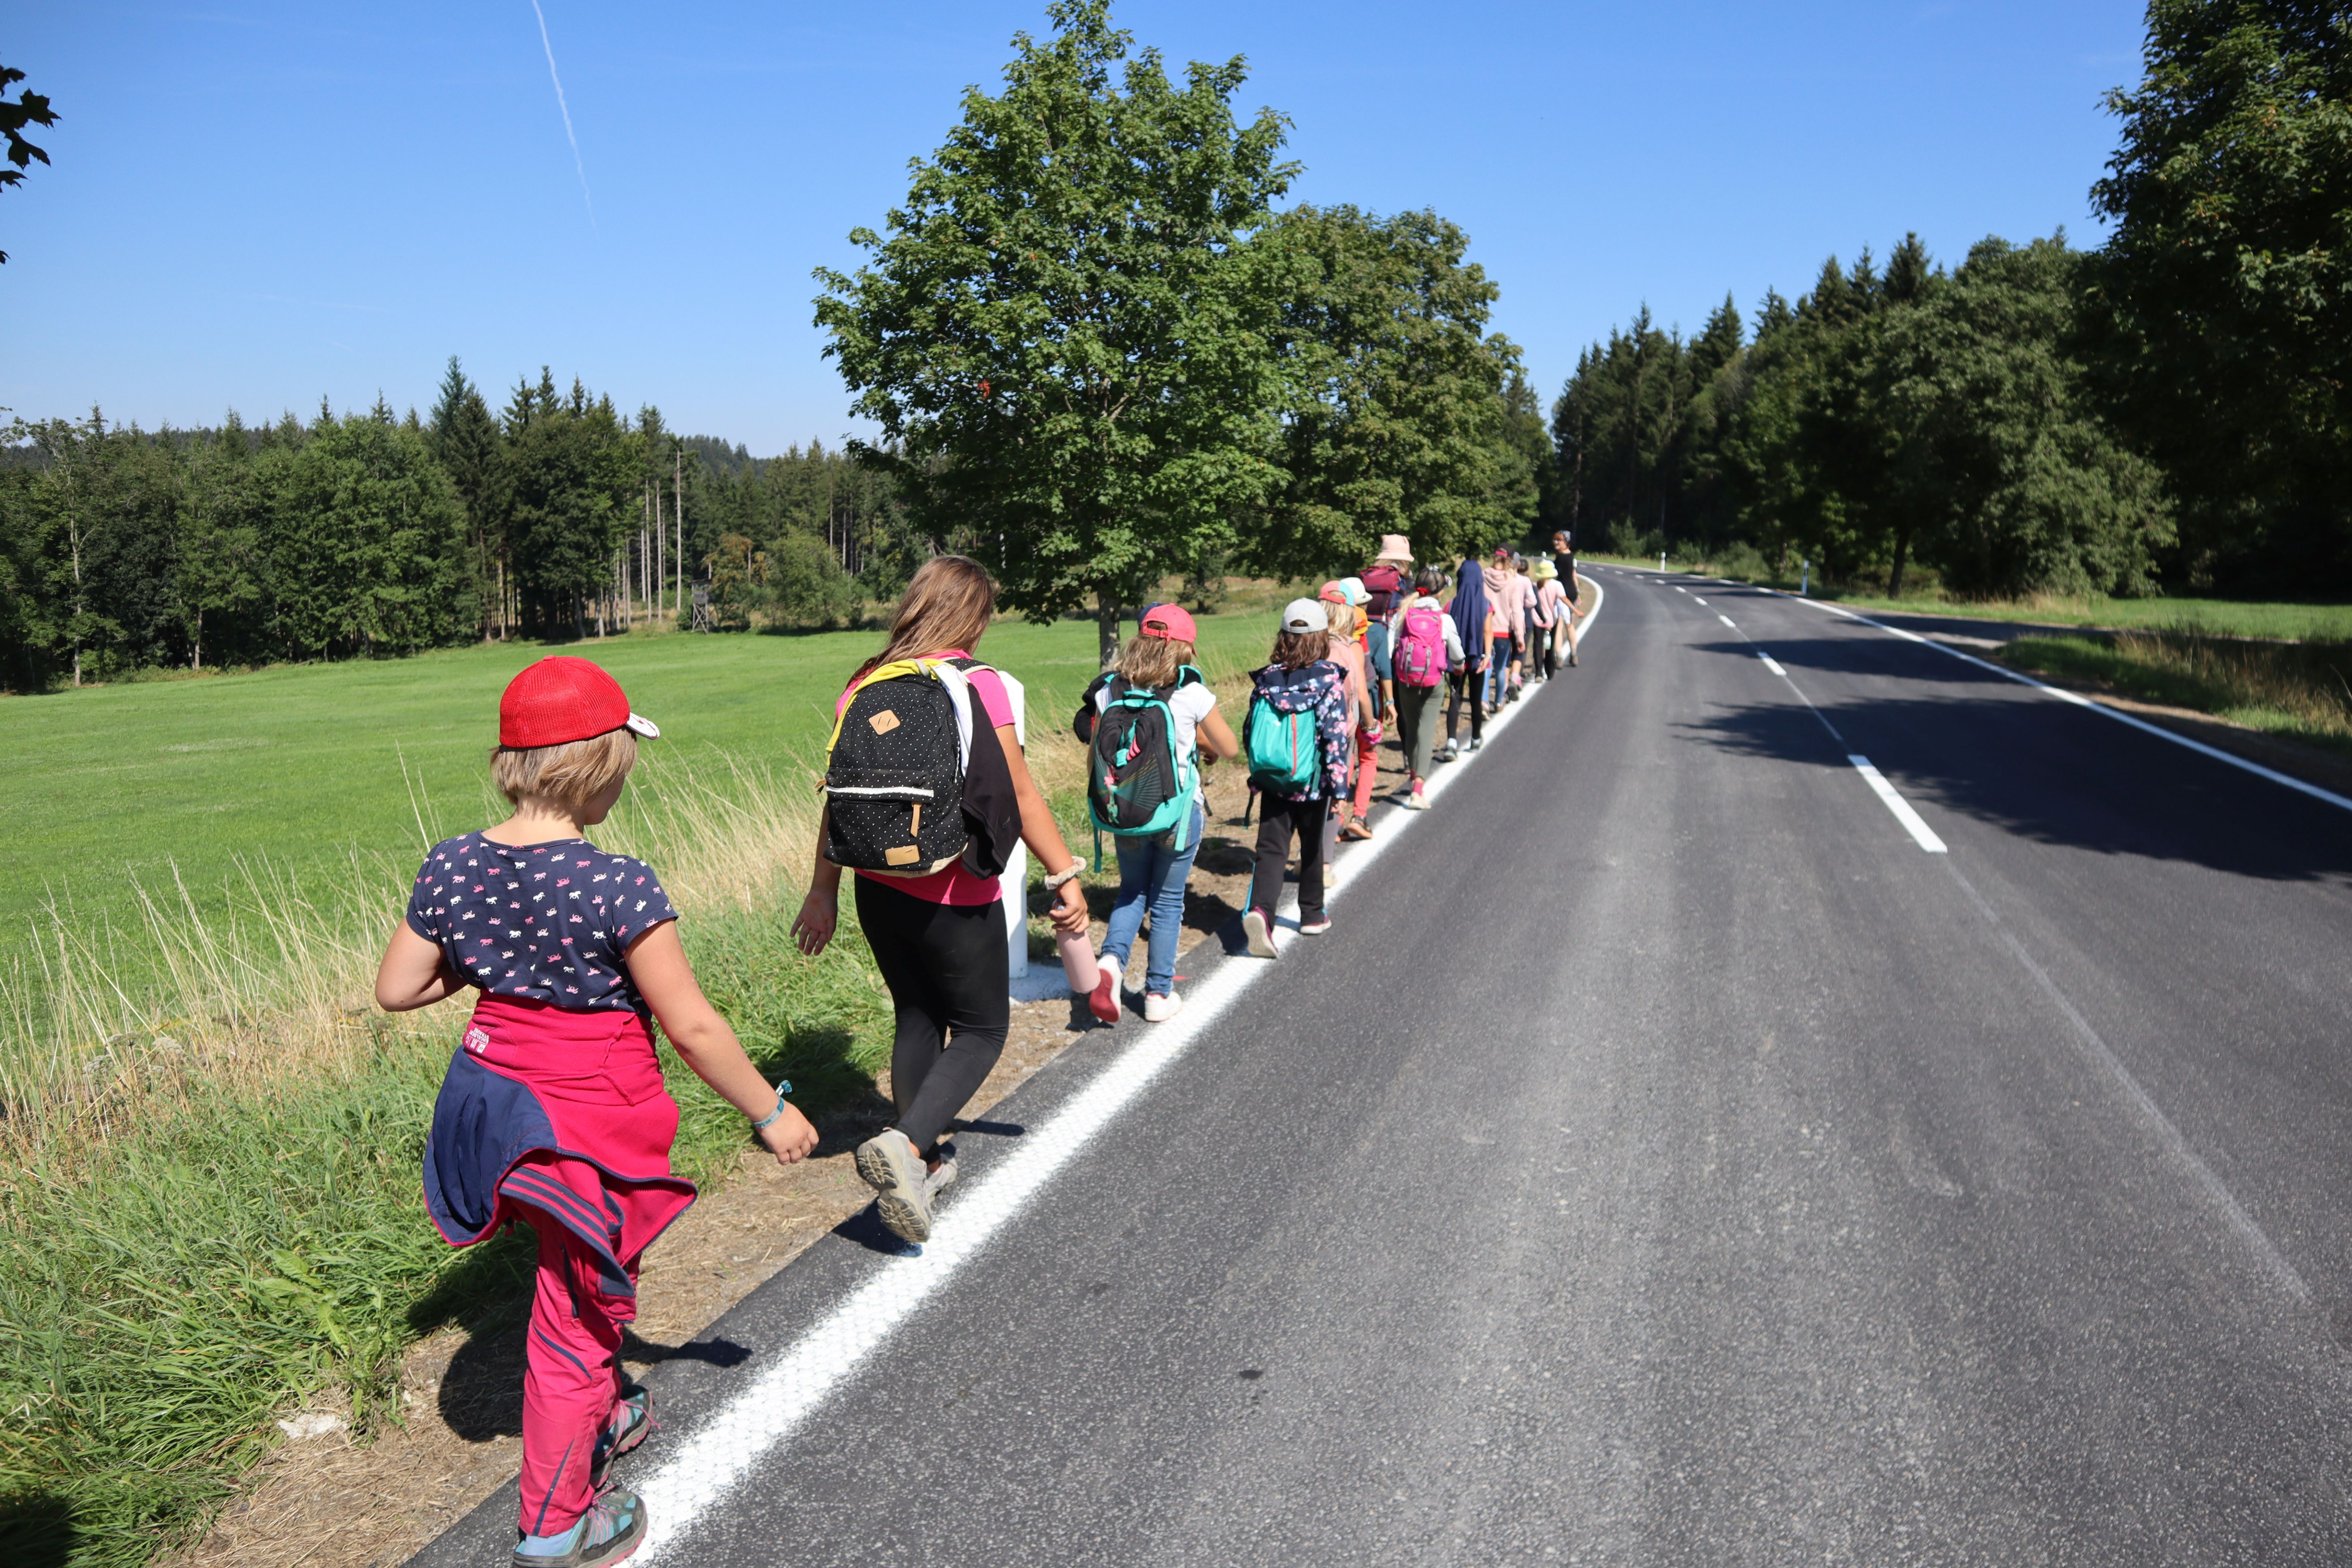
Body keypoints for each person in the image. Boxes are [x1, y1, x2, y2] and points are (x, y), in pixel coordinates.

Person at [374, 655, 822, 1566]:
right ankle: (557, 1525)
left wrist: (493, 964)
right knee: (576, 1319)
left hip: (492, 1105)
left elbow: (398, 987)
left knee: (569, 1272)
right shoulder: (619, 884)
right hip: (585, 1118)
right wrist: (769, 1108)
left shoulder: (452, 862)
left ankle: (607, 1413)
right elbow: (691, 1026)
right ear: (598, 765)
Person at [792, 556, 1090, 1245]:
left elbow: (840, 800)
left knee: (918, 1014)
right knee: (983, 1029)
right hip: (955, 886)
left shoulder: (865, 682)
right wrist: (1063, 873)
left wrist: (822, 890)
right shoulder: (980, 684)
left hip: (877, 887)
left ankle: (920, 1164)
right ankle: (906, 1143)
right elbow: (1020, 792)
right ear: (973, 618)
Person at [1076, 603, 1238, 1023]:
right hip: (1177, 816)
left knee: (1132, 891)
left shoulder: (1109, 690)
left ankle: (1111, 962)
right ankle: (1158, 994)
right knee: (1167, 901)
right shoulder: (1191, 692)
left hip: (1126, 809)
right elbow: (1229, 748)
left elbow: (1096, 753)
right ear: (1184, 649)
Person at [1242, 599, 1352, 958]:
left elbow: (1251, 732)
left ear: (1284, 637)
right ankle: (1312, 914)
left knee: (1271, 849)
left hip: (1274, 779)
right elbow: (1335, 737)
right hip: (1312, 782)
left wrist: (1258, 774)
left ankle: (1262, 911)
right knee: (1312, 846)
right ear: (1322, 637)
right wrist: (1339, 787)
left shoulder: (1267, 680)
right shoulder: (1329, 680)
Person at [1389, 564, 1466, 808]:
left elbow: (1391, 650)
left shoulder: (1402, 614)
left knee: (1412, 729)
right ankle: (1418, 791)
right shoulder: (1444, 619)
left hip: (1405, 681)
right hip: (1433, 682)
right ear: (1441, 592)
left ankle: (1414, 776)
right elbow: (1458, 655)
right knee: (1426, 731)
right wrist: (1458, 667)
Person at [1319, 580, 1380, 842]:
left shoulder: (1313, 641)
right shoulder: (1351, 644)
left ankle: (1327, 831)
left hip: (1316, 723)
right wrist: (1371, 725)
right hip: (1346, 723)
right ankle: (1356, 818)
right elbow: (1363, 694)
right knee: (1363, 761)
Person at [1440, 557, 1490, 760]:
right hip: (1478, 659)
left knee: (1455, 699)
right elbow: (1488, 632)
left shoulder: (1450, 605)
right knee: (1476, 700)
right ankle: (1476, 739)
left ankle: (1451, 743)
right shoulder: (1487, 605)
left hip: (1456, 661)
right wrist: (1487, 655)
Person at [1361, 534, 1413, 729]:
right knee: (1397, 702)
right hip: (1391, 651)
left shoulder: (1366, 578)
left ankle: (1368, 733)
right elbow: (1400, 621)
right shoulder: (1401, 583)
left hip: (1362, 645)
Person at [1532, 558, 1571, 677]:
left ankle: (1538, 673)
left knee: (1538, 645)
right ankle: (1550, 670)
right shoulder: (1557, 585)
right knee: (1550, 645)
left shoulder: (1535, 586)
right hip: (1551, 619)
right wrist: (1575, 610)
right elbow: (1563, 599)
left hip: (1537, 619)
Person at [1552, 532, 1582, 667]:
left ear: (1567, 543)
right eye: (1555, 540)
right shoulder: (1571, 556)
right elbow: (1574, 575)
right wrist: (1578, 592)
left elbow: (1555, 576)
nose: (1556, 542)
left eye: (1559, 540)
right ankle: (1574, 656)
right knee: (1570, 625)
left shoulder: (1560, 558)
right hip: (1572, 592)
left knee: (1559, 626)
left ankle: (1559, 658)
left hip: (1561, 593)